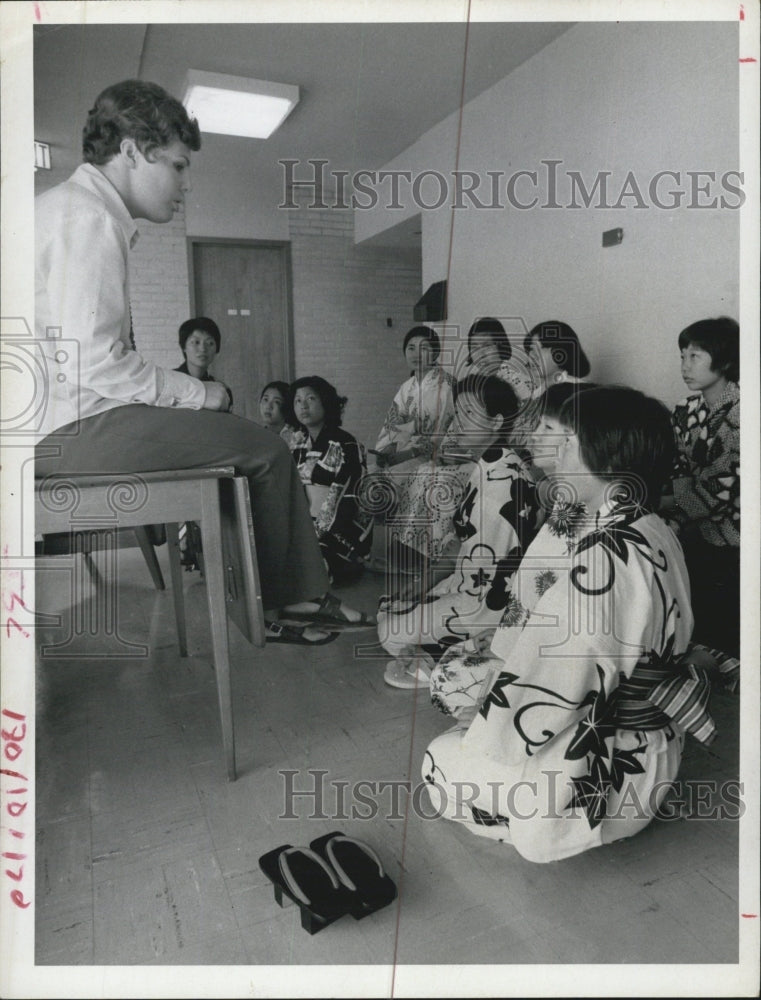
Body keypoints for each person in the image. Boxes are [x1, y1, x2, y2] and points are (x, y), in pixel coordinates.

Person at [34, 79, 370, 643]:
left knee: (231, 440)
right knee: (264, 446)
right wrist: (199, 393)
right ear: (133, 151)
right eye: (179, 166)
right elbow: (93, 362)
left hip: (55, 423)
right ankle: (293, 601)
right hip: (67, 428)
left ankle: (267, 597)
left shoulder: (71, 210)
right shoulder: (88, 218)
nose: (185, 184)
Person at [423, 386, 715, 863]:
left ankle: (536, 824)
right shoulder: (652, 527)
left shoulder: (600, 561)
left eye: (566, 441)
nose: (554, 454)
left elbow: (546, 694)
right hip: (655, 752)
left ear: (605, 456)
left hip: (608, 778)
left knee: (438, 759)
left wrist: (484, 723)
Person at [377, 374, 540, 689]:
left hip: (490, 604)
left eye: (468, 413)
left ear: (495, 422)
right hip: (470, 583)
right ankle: (445, 647)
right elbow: (463, 545)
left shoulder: (500, 481)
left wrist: (435, 597)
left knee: (389, 631)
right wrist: (425, 583)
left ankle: (460, 656)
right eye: (457, 413)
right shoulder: (490, 464)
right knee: (389, 609)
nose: (457, 422)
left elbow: (489, 585)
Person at [663, 317, 740, 659]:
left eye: (695, 356)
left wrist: (678, 517)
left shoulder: (743, 411)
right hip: (695, 530)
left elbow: (725, 483)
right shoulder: (685, 409)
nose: (685, 366)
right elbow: (676, 463)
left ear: (723, 360)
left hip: (736, 537)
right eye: (682, 356)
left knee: (730, 629)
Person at [372, 325, 455, 580]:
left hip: (434, 455)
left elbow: (448, 426)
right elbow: (392, 425)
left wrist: (417, 441)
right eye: (410, 348)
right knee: (375, 477)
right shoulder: (406, 387)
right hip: (408, 452)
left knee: (405, 481)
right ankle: (383, 552)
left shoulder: (447, 385)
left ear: (436, 352)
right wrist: (382, 454)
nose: (416, 354)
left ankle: (413, 556)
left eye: (424, 348)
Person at [289, 376, 373, 586]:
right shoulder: (297, 445)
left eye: (311, 399)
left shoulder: (346, 443)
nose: (303, 405)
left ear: (326, 402)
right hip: (306, 524)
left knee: (309, 567)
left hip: (340, 529)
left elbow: (350, 494)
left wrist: (319, 532)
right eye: (298, 400)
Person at [510, 320, 591, 453]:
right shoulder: (536, 393)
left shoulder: (579, 392)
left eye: (537, 350)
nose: (531, 357)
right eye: (529, 350)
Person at [175, 316, 233, 409]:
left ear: (216, 349)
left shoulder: (221, 391)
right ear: (184, 347)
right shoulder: (170, 383)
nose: (203, 349)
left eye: (210, 343)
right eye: (196, 342)